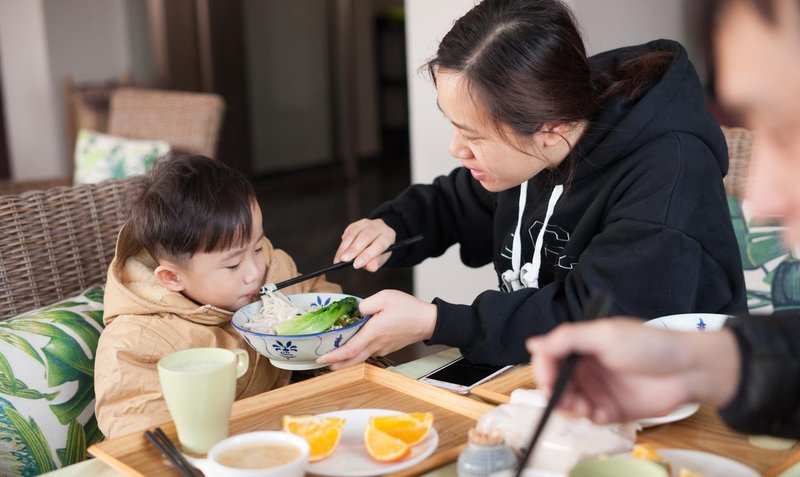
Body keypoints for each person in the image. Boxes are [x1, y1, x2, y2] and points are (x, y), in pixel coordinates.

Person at [320, 0, 746, 369]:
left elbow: (596, 322)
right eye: (454, 127)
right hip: (548, 377)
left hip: (672, 393)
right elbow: (462, 202)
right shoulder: (544, 128)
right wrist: (393, 226)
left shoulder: (669, 175)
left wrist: (436, 322)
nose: (456, 149)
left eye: (473, 136)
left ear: (550, 128)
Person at [528, 0, 800, 438]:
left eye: (789, 131)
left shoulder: (668, 167)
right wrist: (690, 363)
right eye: (756, 124)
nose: (760, 194)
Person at [94, 154, 341, 438]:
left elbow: (321, 299)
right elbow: (139, 432)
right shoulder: (137, 342)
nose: (254, 272)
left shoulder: (274, 270)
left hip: (292, 431)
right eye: (233, 265)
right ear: (172, 278)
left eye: (258, 247)